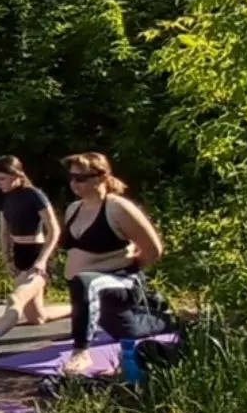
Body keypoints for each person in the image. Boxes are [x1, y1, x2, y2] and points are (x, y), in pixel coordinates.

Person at [58, 153, 172, 374]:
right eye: (72, 177)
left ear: (102, 177)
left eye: (81, 178)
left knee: (85, 282)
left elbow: (153, 249)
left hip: (121, 282)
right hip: (94, 295)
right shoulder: (74, 209)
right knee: (129, 329)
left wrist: (128, 267)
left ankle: (81, 353)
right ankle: (166, 316)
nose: (75, 183)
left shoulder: (117, 208)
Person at [0, 156, 71, 347]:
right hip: (19, 253)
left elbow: (54, 229)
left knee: (17, 297)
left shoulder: (33, 194)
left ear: (16, 175)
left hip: (38, 253)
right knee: (37, 317)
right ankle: (78, 307)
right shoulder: (5, 198)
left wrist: (42, 260)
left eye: (2, 179)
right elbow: (4, 231)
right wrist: (7, 259)